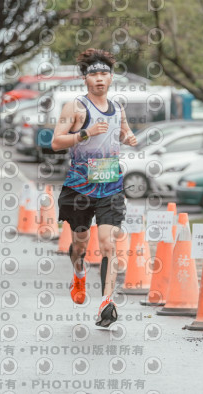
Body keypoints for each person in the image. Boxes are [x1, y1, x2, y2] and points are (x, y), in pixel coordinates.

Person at [51, 48, 137, 327]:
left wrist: (129, 137)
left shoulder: (118, 108)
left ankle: (106, 302)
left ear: (111, 78)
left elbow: (123, 131)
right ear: (85, 79)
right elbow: (56, 142)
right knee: (80, 242)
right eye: (94, 74)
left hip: (111, 185)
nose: (99, 78)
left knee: (108, 242)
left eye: (104, 74)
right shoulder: (75, 107)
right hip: (79, 187)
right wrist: (85, 133)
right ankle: (79, 275)